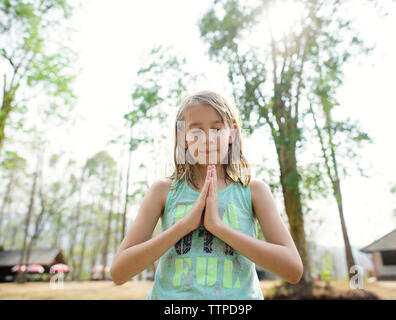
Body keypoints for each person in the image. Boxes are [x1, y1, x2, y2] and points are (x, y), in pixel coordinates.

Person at [110, 90, 303, 299]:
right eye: (196, 131)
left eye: (217, 128)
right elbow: (119, 272)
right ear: (182, 137)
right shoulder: (163, 192)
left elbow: (293, 270)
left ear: (232, 134)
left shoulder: (254, 192)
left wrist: (218, 227)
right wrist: (184, 226)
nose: (208, 138)